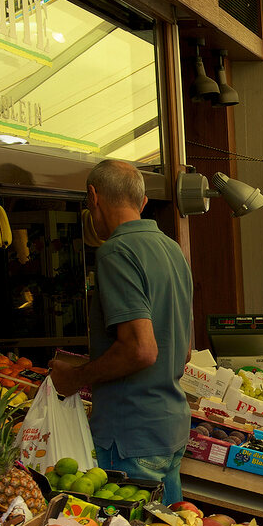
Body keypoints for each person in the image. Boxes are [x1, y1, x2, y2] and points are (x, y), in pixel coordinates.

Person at [48, 160, 193, 505]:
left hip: (129, 433)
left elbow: (141, 350)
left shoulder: (115, 251)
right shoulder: (172, 249)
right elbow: (183, 350)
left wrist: (75, 378)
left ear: (93, 197)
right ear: (142, 203)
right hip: (170, 426)